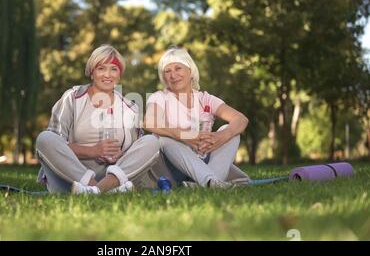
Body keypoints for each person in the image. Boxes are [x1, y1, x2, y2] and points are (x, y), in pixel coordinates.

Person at [35, 44, 160, 194]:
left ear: (119, 75)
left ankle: (96, 190)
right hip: (71, 178)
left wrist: (121, 154)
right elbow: (57, 144)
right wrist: (94, 151)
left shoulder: (130, 108)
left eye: (113, 69)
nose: (107, 75)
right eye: (101, 68)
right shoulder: (73, 97)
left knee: (151, 142)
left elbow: (134, 154)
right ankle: (99, 189)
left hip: (112, 176)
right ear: (91, 72)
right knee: (45, 138)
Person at [144, 46, 251, 188]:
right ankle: (209, 181)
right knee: (165, 139)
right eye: (167, 71)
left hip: (203, 159)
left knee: (230, 131)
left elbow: (241, 119)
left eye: (178, 68)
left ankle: (209, 183)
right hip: (171, 167)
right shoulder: (159, 97)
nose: (173, 75)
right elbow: (149, 122)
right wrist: (185, 135)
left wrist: (221, 137)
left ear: (191, 72)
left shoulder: (205, 99)